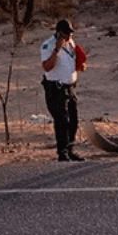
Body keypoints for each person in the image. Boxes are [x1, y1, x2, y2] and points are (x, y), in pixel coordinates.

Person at [41, 19, 88, 162]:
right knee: (62, 121)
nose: (69, 36)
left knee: (73, 120)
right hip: (56, 88)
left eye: (70, 33)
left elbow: (73, 62)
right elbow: (47, 67)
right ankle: (62, 153)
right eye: (66, 34)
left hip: (69, 87)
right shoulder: (47, 45)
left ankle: (70, 149)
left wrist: (80, 66)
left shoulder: (71, 44)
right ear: (59, 33)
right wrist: (57, 49)